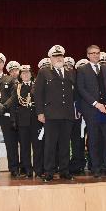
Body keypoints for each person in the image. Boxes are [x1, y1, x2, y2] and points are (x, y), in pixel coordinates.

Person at [34, 45, 76, 182]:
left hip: (67, 114)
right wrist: (40, 112)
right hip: (51, 115)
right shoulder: (44, 72)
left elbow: (74, 94)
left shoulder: (70, 72)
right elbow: (38, 94)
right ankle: (49, 171)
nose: (58, 58)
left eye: (60, 56)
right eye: (55, 56)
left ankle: (64, 170)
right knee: (50, 145)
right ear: (50, 58)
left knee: (65, 144)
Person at [77, 45, 106, 178]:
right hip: (92, 110)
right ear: (88, 55)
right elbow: (81, 89)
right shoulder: (82, 69)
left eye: (97, 53)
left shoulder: (105, 68)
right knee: (94, 139)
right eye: (92, 53)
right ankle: (96, 167)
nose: (95, 55)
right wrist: (96, 104)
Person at [12, 65, 44, 178]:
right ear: (20, 75)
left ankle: (38, 170)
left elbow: (41, 102)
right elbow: (14, 105)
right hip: (23, 121)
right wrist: (14, 120)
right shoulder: (17, 87)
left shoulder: (37, 86)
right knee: (24, 147)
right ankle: (27, 170)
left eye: (28, 72)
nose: (25, 74)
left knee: (37, 146)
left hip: (36, 120)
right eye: (23, 73)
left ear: (31, 74)